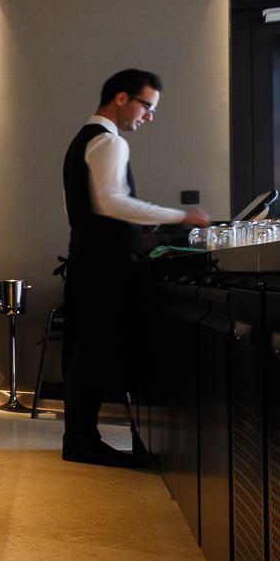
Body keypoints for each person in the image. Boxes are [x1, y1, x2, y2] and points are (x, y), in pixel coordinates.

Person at [60, 69, 209, 466]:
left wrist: (144, 223)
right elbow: (111, 201)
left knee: (86, 351)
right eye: (147, 106)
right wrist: (181, 216)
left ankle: (80, 439)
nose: (149, 116)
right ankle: (82, 443)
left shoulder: (81, 141)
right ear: (122, 98)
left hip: (87, 260)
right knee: (94, 352)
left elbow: (79, 209)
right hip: (105, 267)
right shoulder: (109, 141)